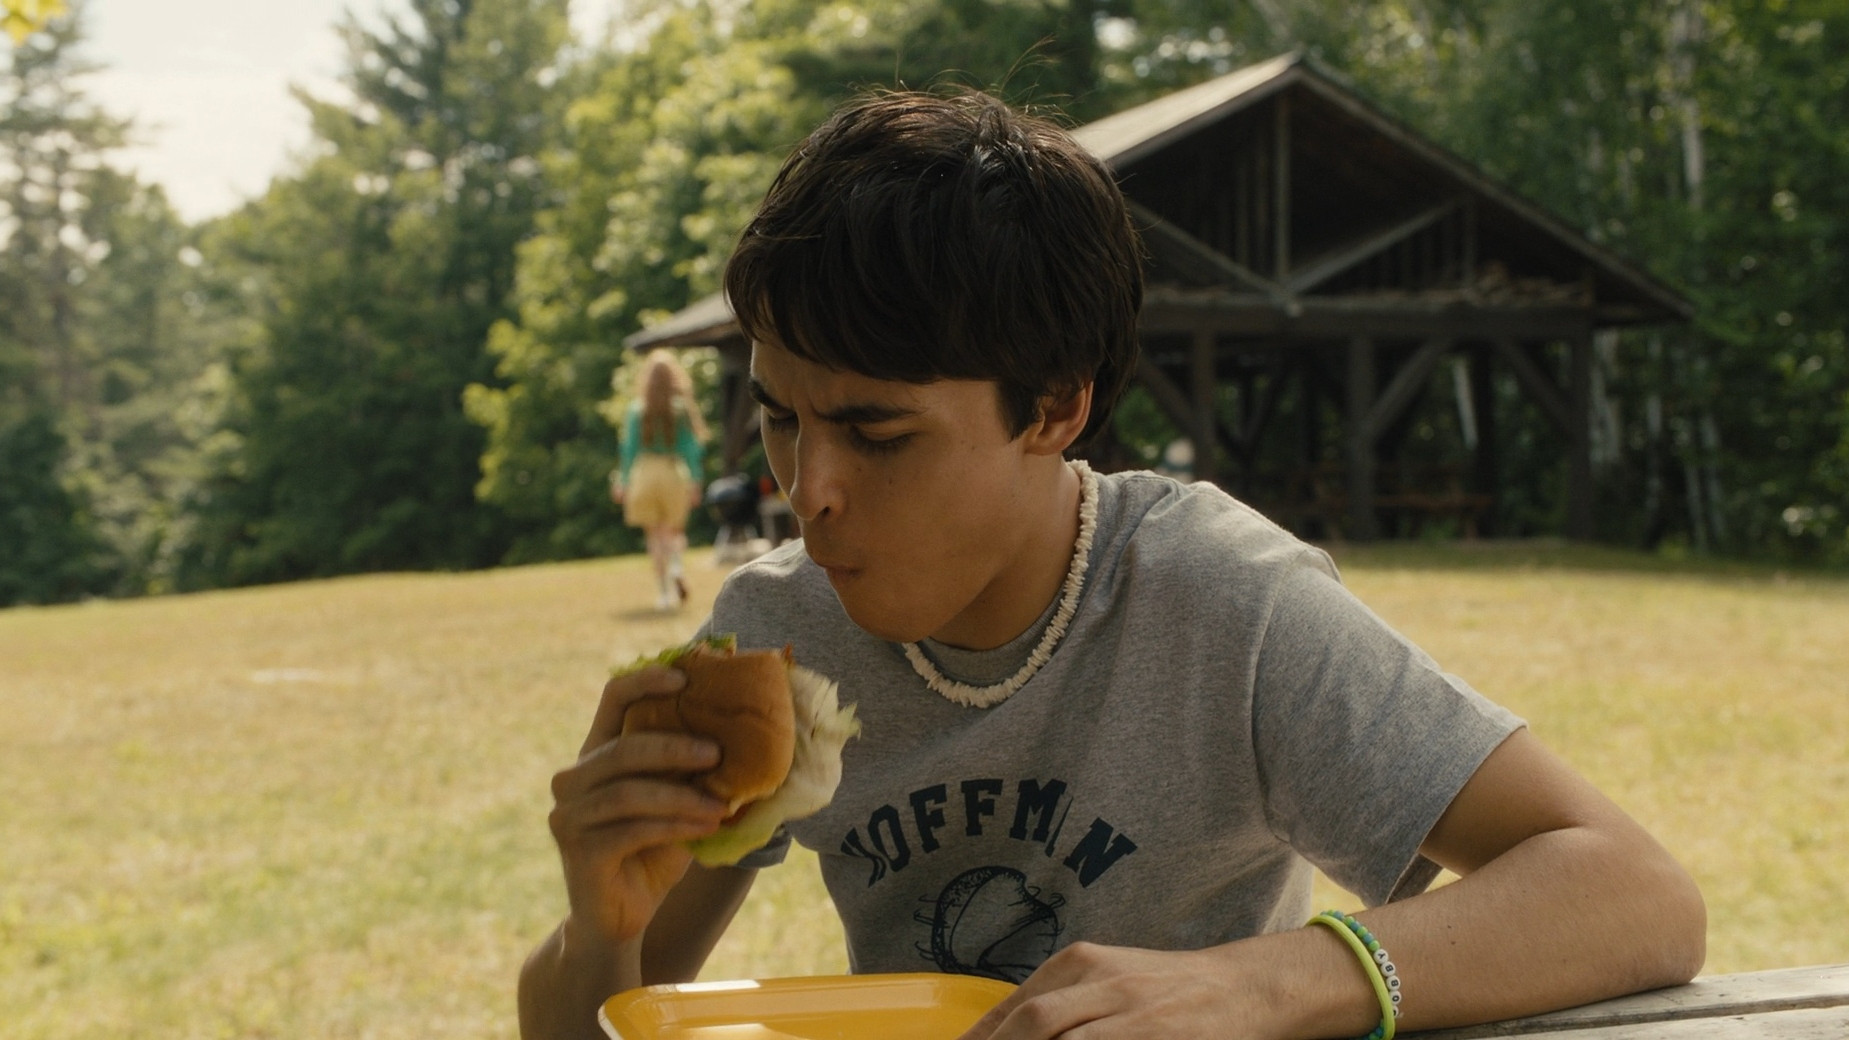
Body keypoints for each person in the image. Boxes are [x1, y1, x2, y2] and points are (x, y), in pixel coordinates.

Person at [523, 89, 1705, 1040]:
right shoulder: (780, 627)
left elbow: (1633, 892)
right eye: (782, 417)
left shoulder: (1227, 599)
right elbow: (590, 1020)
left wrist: (1260, 984)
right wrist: (603, 925)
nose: (807, 487)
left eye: (875, 432)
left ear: (1053, 406)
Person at [611, 349, 707, 610]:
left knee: (654, 536)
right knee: (673, 531)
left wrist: (622, 481)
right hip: (673, 471)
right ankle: (676, 564)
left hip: (645, 472)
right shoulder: (681, 409)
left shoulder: (637, 410)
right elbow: (691, 448)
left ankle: (664, 594)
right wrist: (695, 481)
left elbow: (628, 449)